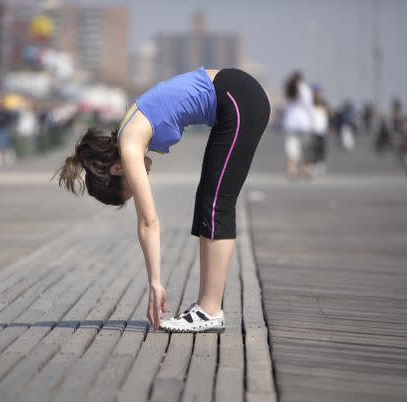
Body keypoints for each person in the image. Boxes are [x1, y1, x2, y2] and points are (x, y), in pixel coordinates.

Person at [52, 66, 271, 333]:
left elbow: (148, 222)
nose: (141, 178)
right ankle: (207, 307)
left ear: (117, 169)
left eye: (130, 187)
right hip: (235, 96)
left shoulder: (130, 146)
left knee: (216, 204)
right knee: (208, 201)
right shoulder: (126, 131)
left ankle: (210, 310)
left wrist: (155, 282)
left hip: (239, 99)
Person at [282, 71, 314, 179]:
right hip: (303, 122)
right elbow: (308, 106)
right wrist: (312, 121)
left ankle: (292, 169)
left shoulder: (288, 87)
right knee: (304, 148)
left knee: (291, 148)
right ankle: (304, 169)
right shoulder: (304, 88)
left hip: (290, 122)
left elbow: (286, 105)